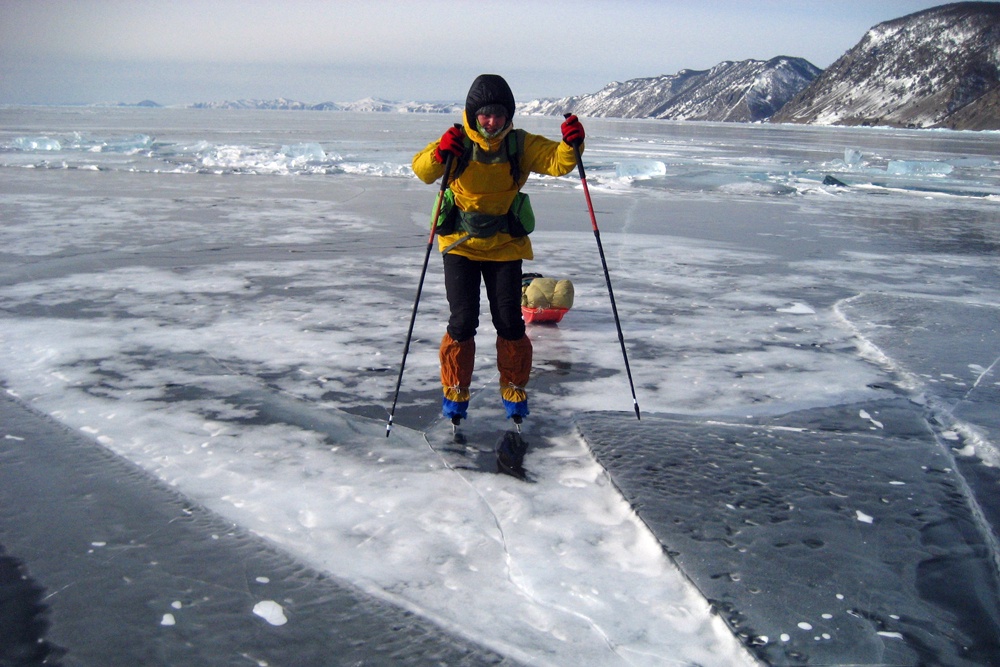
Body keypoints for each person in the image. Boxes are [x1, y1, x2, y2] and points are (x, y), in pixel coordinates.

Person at [412, 74, 585, 426]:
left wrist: (572, 145)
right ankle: (455, 392)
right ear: (473, 114)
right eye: (485, 114)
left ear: (509, 116)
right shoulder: (457, 141)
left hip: (504, 246)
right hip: (459, 245)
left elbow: (557, 161)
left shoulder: (518, 144)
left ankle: (514, 391)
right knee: (462, 321)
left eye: (499, 115)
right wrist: (439, 152)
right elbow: (423, 170)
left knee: (509, 323)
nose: (492, 122)